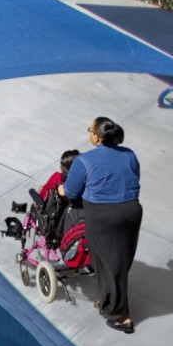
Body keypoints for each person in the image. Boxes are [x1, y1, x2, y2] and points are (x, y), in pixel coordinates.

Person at [62, 117, 142, 332]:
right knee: (117, 262)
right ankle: (107, 300)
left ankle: (119, 315)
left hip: (103, 217)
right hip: (132, 212)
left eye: (90, 129)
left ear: (96, 136)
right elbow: (134, 178)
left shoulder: (84, 160)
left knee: (109, 265)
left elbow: (71, 192)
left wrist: (61, 190)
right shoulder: (129, 154)